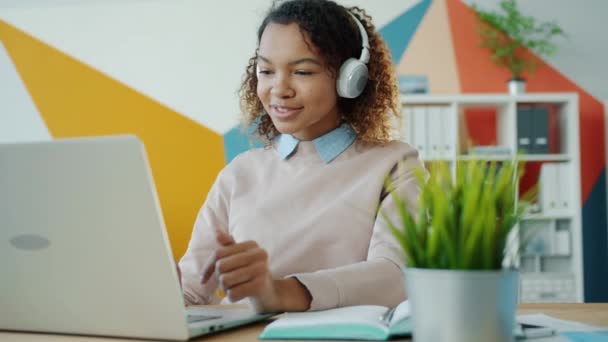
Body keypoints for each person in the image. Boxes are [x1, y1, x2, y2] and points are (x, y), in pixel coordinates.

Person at [178, 0, 424, 314]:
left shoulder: (395, 164)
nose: (278, 88)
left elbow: (396, 276)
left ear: (350, 79)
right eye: (266, 70)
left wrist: (281, 292)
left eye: (303, 71)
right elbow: (191, 289)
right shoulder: (239, 173)